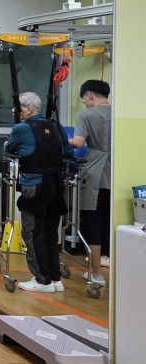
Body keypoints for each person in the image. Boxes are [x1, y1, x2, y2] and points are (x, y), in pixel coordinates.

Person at [4, 92, 72, 293]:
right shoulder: (56, 126)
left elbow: (9, 149)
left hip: (35, 186)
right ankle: (55, 278)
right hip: (57, 185)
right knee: (50, 232)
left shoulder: (21, 128)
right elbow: (67, 151)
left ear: (28, 109)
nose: (14, 111)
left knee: (33, 232)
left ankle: (42, 279)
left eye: (17, 107)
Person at [67, 79, 112, 285]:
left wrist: (58, 139)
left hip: (95, 174)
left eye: (84, 99)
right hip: (118, 173)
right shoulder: (119, 113)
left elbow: (78, 142)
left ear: (89, 95)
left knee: (93, 223)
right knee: (112, 223)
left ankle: (96, 274)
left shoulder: (86, 114)